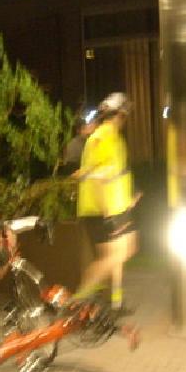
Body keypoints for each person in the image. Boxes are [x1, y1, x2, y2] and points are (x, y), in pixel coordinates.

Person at [72, 92, 139, 310]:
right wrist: (107, 211)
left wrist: (129, 197)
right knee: (113, 256)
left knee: (124, 249)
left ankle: (115, 302)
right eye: (125, 114)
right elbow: (98, 177)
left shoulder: (115, 137)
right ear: (120, 114)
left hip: (115, 207)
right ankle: (78, 300)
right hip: (101, 209)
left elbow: (116, 173)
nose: (127, 118)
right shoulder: (104, 137)